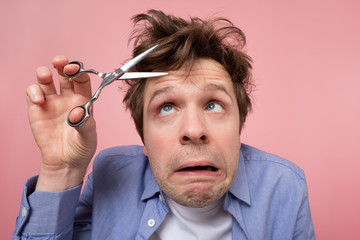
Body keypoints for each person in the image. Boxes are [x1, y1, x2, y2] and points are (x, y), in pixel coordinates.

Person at [12, 9, 315, 239]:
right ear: (143, 136)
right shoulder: (110, 174)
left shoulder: (284, 187)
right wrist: (60, 171)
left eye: (213, 105)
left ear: (239, 126)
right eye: (167, 107)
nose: (194, 130)